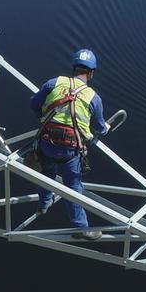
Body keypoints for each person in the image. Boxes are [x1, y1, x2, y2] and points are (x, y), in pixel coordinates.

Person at [28, 48, 109, 240]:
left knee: (46, 175)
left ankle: (43, 205)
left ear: (73, 68)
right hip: (69, 150)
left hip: (46, 143)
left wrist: (45, 117)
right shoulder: (93, 97)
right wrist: (106, 128)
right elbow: (100, 126)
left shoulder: (54, 82)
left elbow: (33, 104)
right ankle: (80, 228)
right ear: (91, 73)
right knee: (73, 187)